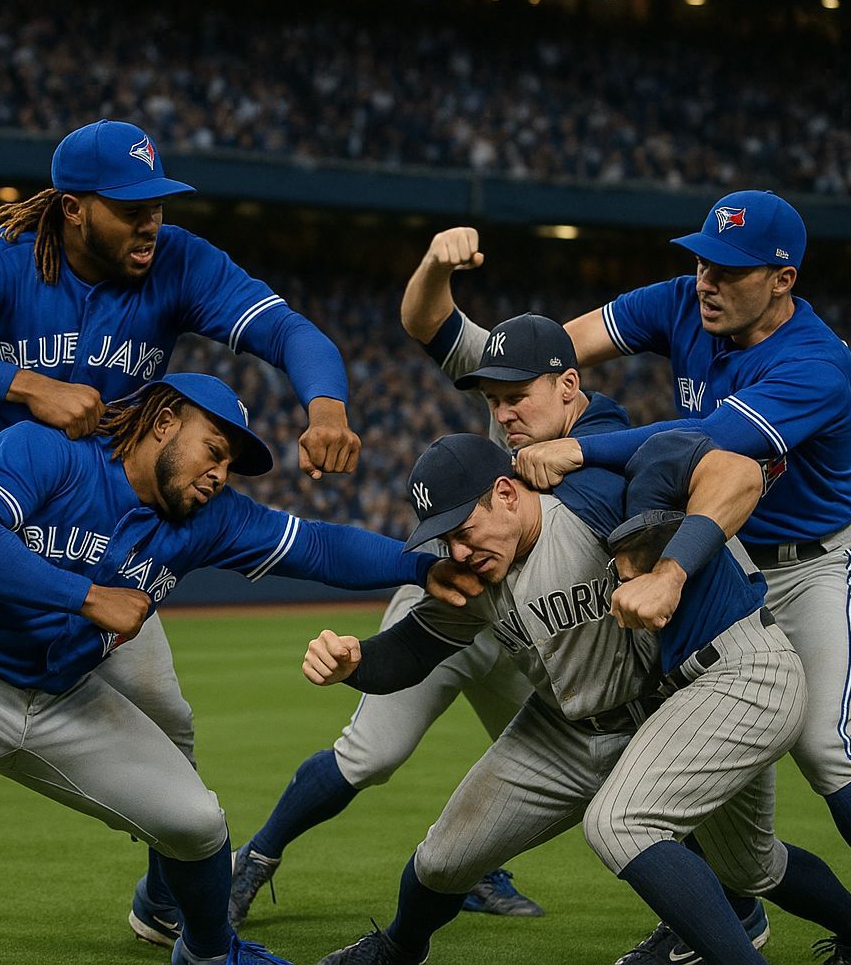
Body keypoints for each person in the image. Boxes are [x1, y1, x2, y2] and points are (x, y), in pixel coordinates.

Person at [0, 118, 362, 944]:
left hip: (92, 504)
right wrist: (24, 385)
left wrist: (326, 401)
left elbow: (286, 330)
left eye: (156, 204)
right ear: (73, 208)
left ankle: (163, 901)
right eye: (130, 208)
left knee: (164, 710)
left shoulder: (178, 261)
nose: (150, 222)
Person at [0, 373, 476, 965]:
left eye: (229, 464)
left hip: (53, 695)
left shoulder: (209, 517)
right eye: (213, 450)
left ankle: (208, 953)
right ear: (163, 422)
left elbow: (317, 545)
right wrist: (86, 596)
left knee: (196, 824)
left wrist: (421, 567)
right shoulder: (48, 450)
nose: (220, 474)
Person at [304, 431, 851, 965]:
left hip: (672, 707)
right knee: (441, 860)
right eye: (444, 539)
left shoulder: (593, 504)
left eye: (463, 529)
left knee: (747, 866)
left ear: (505, 493)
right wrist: (355, 663)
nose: (456, 550)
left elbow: (709, 474)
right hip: (563, 731)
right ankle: (398, 948)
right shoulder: (474, 572)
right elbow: (410, 651)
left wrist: (671, 567)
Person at [510, 191, 851, 964]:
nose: (708, 280)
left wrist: (580, 447)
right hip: (723, 558)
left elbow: (706, 439)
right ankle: (727, 914)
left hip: (812, 564)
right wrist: (505, 382)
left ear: (783, 279)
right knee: (688, 746)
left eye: (731, 270)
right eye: (704, 260)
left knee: (827, 748)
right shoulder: (681, 299)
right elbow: (553, 352)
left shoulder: (815, 362)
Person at [228, 257, 623, 927]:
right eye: (493, 397)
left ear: (565, 386)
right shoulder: (511, 394)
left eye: (515, 395)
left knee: (584, 756)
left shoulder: (608, 439)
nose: (502, 409)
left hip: (532, 627)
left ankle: (476, 867)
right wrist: (438, 263)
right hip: (455, 594)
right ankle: (256, 858)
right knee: (371, 754)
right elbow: (426, 319)